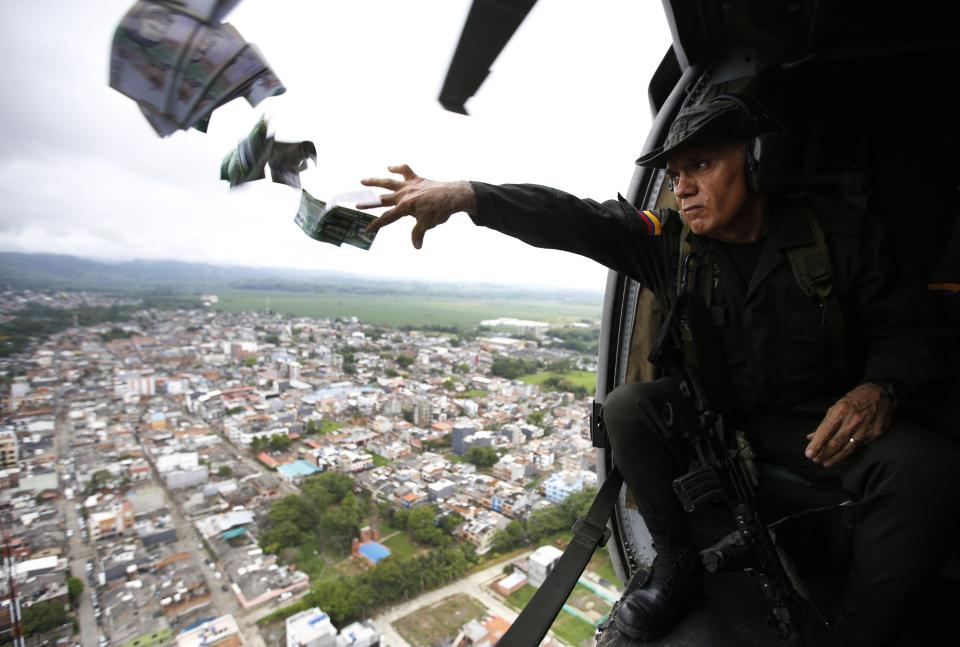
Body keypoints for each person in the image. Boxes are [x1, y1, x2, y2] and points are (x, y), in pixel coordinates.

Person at [358, 95, 960, 646]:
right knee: (627, 406)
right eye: (675, 176)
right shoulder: (671, 246)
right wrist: (469, 195)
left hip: (824, 428)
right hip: (719, 426)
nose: (683, 188)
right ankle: (675, 564)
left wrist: (877, 389)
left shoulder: (840, 238)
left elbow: (910, 330)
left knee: (925, 465)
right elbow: (573, 219)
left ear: (756, 163)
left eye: (699, 165)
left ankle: (863, 624)